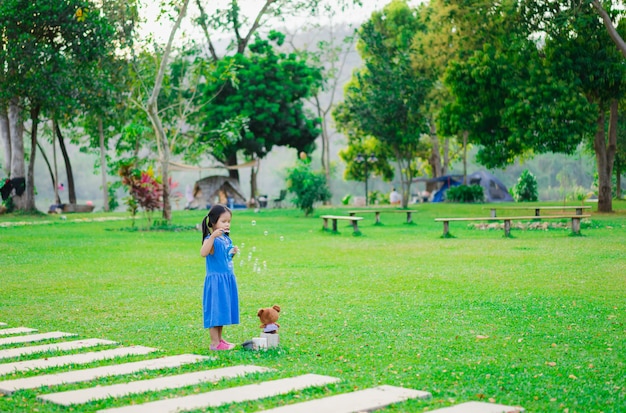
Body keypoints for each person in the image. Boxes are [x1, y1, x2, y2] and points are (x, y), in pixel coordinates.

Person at [200, 204, 240, 351]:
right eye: (224, 221)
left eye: (229, 221)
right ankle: (214, 343)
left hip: (226, 279)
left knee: (222, 310)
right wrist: (212, 237)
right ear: (213, 222)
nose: (227, 224)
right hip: (216, 281)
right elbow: (203, 253)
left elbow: (225, 258)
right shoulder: (211, 239)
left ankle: (220, 340)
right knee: (215, 310)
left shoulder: (226, 240)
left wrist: (233, 252)